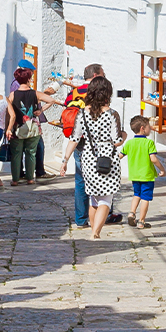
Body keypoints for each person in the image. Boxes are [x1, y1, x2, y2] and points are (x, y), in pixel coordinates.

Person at [62, 77, 122, 237]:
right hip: (107, 158)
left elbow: (74, 138)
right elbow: (117, 141)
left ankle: (92, 228)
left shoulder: (82, 113)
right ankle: (96, 232)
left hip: (88, 158)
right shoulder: (112, 114)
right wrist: (124, 135)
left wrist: (65, 159)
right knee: (106, 200)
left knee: (94, 200)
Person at [120, 115, 164, 229]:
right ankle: (141, 221)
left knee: (136, 194)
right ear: (142, 128)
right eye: (149, 127)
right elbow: (153, 159)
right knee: (145, 198)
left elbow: (120, 156)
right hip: (147, 175)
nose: (150, 129)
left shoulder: (129, 143)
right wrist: (162, 169)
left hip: (134, 175)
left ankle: (132, 213)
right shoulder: (149, 143)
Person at [7, 69, 43, 186]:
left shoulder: (13, 95)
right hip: (33, 128)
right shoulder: (35, 93)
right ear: (28, 79)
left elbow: (9, 112)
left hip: (17, 128)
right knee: (31, 153)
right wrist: (40, 110)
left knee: (16, 154)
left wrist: (8, 128)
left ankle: (15, 180)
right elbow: (51, 100)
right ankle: (30, 179)